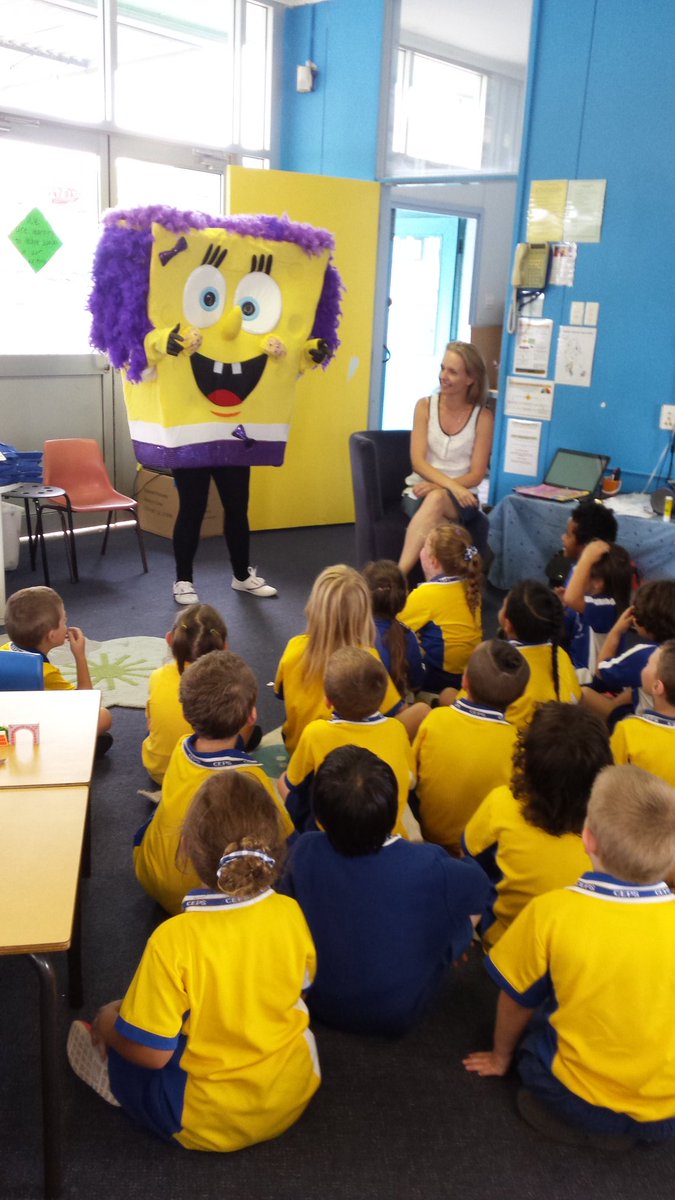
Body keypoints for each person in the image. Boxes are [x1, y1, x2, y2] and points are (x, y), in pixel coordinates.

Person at [67, 771, 320, 1150]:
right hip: (293, 1089)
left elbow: (152, 1055)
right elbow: (300, 989)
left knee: (126, 1039)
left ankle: (113, 1069)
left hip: (205, 1117)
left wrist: (107, 1024)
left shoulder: (173, 940)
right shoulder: (289, 911)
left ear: (185, 847)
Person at [463, 765, 675, 1148]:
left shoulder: (551, 911)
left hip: (576, 1101)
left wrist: (499, 1057)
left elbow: (515, 1000)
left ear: (587, 838)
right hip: (667, 1115)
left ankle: (590, 1129)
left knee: (533, 1044)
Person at [278, 745, 491, 1036]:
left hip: (317, 999)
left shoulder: (304, 849)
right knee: (462, 903)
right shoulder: (428, 861)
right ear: (394, 814)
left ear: (321, 817)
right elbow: (479, 888)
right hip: (399, 1011)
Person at [134, 649, 293, 915]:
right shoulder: (251, 776)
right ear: (252, 716)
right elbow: (283, 834)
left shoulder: (181, 747)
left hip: (149, 871)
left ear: (186, 714)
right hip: (200, 896)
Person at [462, 702, 611, 947]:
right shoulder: (611, 833)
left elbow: (469, 853)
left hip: (502, 941)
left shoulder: (501, 803)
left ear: (527, 761)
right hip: (571, 952)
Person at [274, 564, 429, 753]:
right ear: (363, 615)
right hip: (347, 757)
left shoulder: (294, 646)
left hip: (299, 749)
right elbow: (395, 710)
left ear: (313, 606)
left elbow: (282, 695)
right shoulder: (366, 658)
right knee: (421, 712)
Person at [278, 647, 415, 837]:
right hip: (389, 829)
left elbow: (294, 782)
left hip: (332, 831)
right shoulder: (397, 729)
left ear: (327, 701)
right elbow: (410, 779)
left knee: (283, 783)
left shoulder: (315, 732)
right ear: (383, 697)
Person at [414, 639, 530, 856]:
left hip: (431, 835)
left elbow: (414, 773)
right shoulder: (519, 743)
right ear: (521, 695)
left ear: (465, 681)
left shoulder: (435, 719)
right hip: (481, 850)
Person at [398, 341, 494, 577]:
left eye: (452, 372)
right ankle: (443, 588)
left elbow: (477, 474)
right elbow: (418, 462)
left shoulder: (483, 417)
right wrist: (447, 486)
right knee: (439, 522)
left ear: (470, 379)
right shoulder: (424, 406)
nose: (443, 376)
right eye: (443, 368)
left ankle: (398, 576)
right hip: (419, 491)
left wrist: (441, 487)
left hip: (462, 498)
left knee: (438, 498)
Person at [1, 584, 112, 750]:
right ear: (52, 636)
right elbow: (85, 703)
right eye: (64, 621)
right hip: (28, 733)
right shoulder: (45, 672)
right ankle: (67, 747)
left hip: (6, 725)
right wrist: (80, 656)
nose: (67, 625)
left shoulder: (4, 650)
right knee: (104, 716)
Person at [142, 603, 228, 785]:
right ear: (224, 646)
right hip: (205, 778)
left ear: (169, 639)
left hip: (159, 772)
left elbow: (150, 722)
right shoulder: (227, 683)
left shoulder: (157, 676)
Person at [172, 466, 277, 605]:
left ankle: (242, 577)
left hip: (231, 452)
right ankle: (183, 580)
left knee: (237, 508)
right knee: (191, 509)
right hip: (190, 453)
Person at [399, 524, 483, 696]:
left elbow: (395, 623)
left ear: (433, 561)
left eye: (424, 547)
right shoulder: (471, 587)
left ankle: (421, 696)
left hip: (439, 676)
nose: (421, 550)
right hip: (470, 671)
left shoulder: (426, 594)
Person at [498, 579, 581, 730]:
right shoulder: (560, 654)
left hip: (514, 739)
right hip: (562, 734)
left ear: (508, 624)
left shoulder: (501, 665)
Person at [588, 580, 675, 717]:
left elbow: (601, 670)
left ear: (642, 620)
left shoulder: (645, 655)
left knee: (585, 693)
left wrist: (616, 631)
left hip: (646, 724)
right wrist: (616, 702)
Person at [562, 540, 633, 682]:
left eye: (584, 570)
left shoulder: (608, 607)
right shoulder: (587, 603)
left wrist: (587, 557)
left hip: (593, 683)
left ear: (598, 583)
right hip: (576, 671)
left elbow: (571, 598)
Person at [610, 641, 675, 785]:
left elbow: (609, 783)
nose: (644, 667)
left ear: (657, 687)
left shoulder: (628, 731)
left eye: (647, 664)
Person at [362, 559, 425, 696]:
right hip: (396, 706)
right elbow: (416, 684)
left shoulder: (352, 633)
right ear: (403, 598)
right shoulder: (407, 637)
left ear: (364, 596)